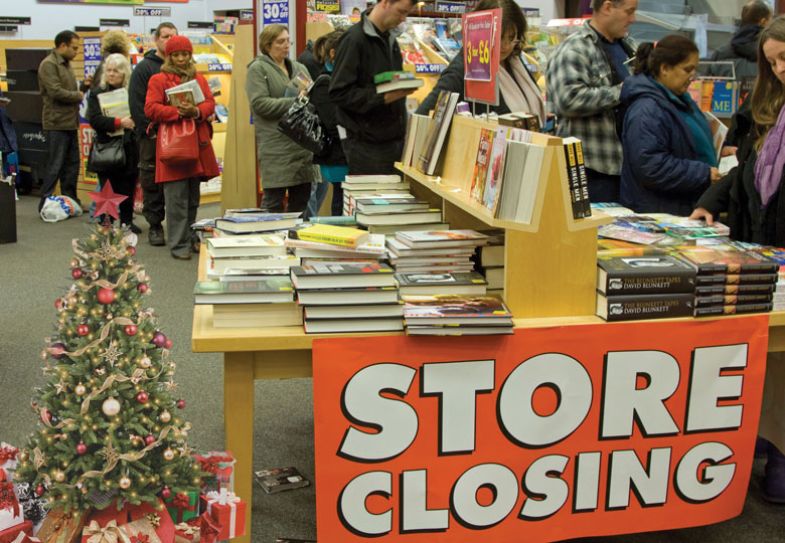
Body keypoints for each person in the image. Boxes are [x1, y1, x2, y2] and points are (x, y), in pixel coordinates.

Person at [690, 16, 785, 503]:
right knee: (762, 361)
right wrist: (711, 199)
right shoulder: (771, 108)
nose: (780, 70)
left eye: (784, 58)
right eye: (772, 63)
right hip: (761, 248)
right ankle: (758, 450)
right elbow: (747, 167)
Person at [546, 0, 638, 203]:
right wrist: (621, 92)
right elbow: (568, 100)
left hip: (626, 170)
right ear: (607, 7)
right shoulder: (574, 49)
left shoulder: (629, 47)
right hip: (590, 171)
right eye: (629, 12)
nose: (633, 18)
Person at [618, 36, 720, 216]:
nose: (692, 76)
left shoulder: (679, 99)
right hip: (660, 212)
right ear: (664, 68)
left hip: (682, 205)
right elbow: (650, 166)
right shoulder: (647, 110)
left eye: (695, 69)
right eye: (687, 69)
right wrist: (703, 173)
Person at [144, 35, 218, 260]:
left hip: (197, 144)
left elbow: (209, 103)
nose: (182, 59)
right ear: (169, 56)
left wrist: (196, 112)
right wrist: (178, 112)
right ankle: (178, 245)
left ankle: (190, 237)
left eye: (185, 54)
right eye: (176, 55)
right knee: (175, 199)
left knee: (193, 198)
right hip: (174, 147)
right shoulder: (158, 79)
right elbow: (150, 109)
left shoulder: (200, 79)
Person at [416, 0, 545, 125]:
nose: (506, 46)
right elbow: (423, 117)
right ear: (481, 32)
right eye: (499, 38)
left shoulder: (514, 61)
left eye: (511, 38)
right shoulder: (462, 70)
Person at [329, 0, 416, 175]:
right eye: (400, 12)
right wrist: (382, 97)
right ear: (384, 3)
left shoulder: (391, 40)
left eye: (406, 13)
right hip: (366, 146)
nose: (402, 19)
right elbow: (339, 93)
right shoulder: (354, 40)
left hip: (394, 141)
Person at [246, 24, 315, 213]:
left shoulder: (299, 67)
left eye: (288, 40)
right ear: (267, 45)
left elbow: (311, 98)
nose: (286, 45)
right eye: (280, 41)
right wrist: (295, 101)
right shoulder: (258, 69)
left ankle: (293, 242)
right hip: (276, 147)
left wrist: (304, 101)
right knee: (273, 205)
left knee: (301, 205)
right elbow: (260, 105)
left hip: (302, 146)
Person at [129, 22, 177, 247]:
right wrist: (152, 129)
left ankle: (180, 226)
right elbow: (137, 106)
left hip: (177, 135)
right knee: (151, 180)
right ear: (157, 39)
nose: (169, 40)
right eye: (165, 36)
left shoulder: (181, 67)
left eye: (173, 36)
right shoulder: (144, 69)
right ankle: (155, 225)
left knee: (178, 179)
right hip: (151, 135)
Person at [86, 53, 139, 232]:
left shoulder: (132, 92)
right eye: (108, 70)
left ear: (124, 73)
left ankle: (126, 222)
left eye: (116, 70)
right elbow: (93, 119)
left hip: (129, 145)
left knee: (128, 187)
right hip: (106, 147)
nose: (111, 74)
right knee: (107, 189)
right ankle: (105, 223)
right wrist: (118, 122)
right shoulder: (96, 93)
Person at [37, 30, 84, 211]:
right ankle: (45, 201)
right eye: (73, 48)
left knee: (72, 164)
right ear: (62, 45)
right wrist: (78, 95)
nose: (76, 52)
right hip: (56, 123)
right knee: (55, 165)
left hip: (70, 122)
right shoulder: (48, 65)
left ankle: (70, 201)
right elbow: (55, 92)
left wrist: (81, 88)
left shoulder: (66, 65)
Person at [309, 30, 349, 217]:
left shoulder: (343, 79)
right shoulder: (324, 83)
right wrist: (353, 135)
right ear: (333, 53)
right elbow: (334, 125)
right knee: (341, 203)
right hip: (338, 155)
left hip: (347, 152)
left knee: (346, 203)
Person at [711, 0, 772, 82]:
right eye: (771, 19)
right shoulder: (770, 53)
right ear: (763, 22)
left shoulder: (720, 53)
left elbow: (707, 83)